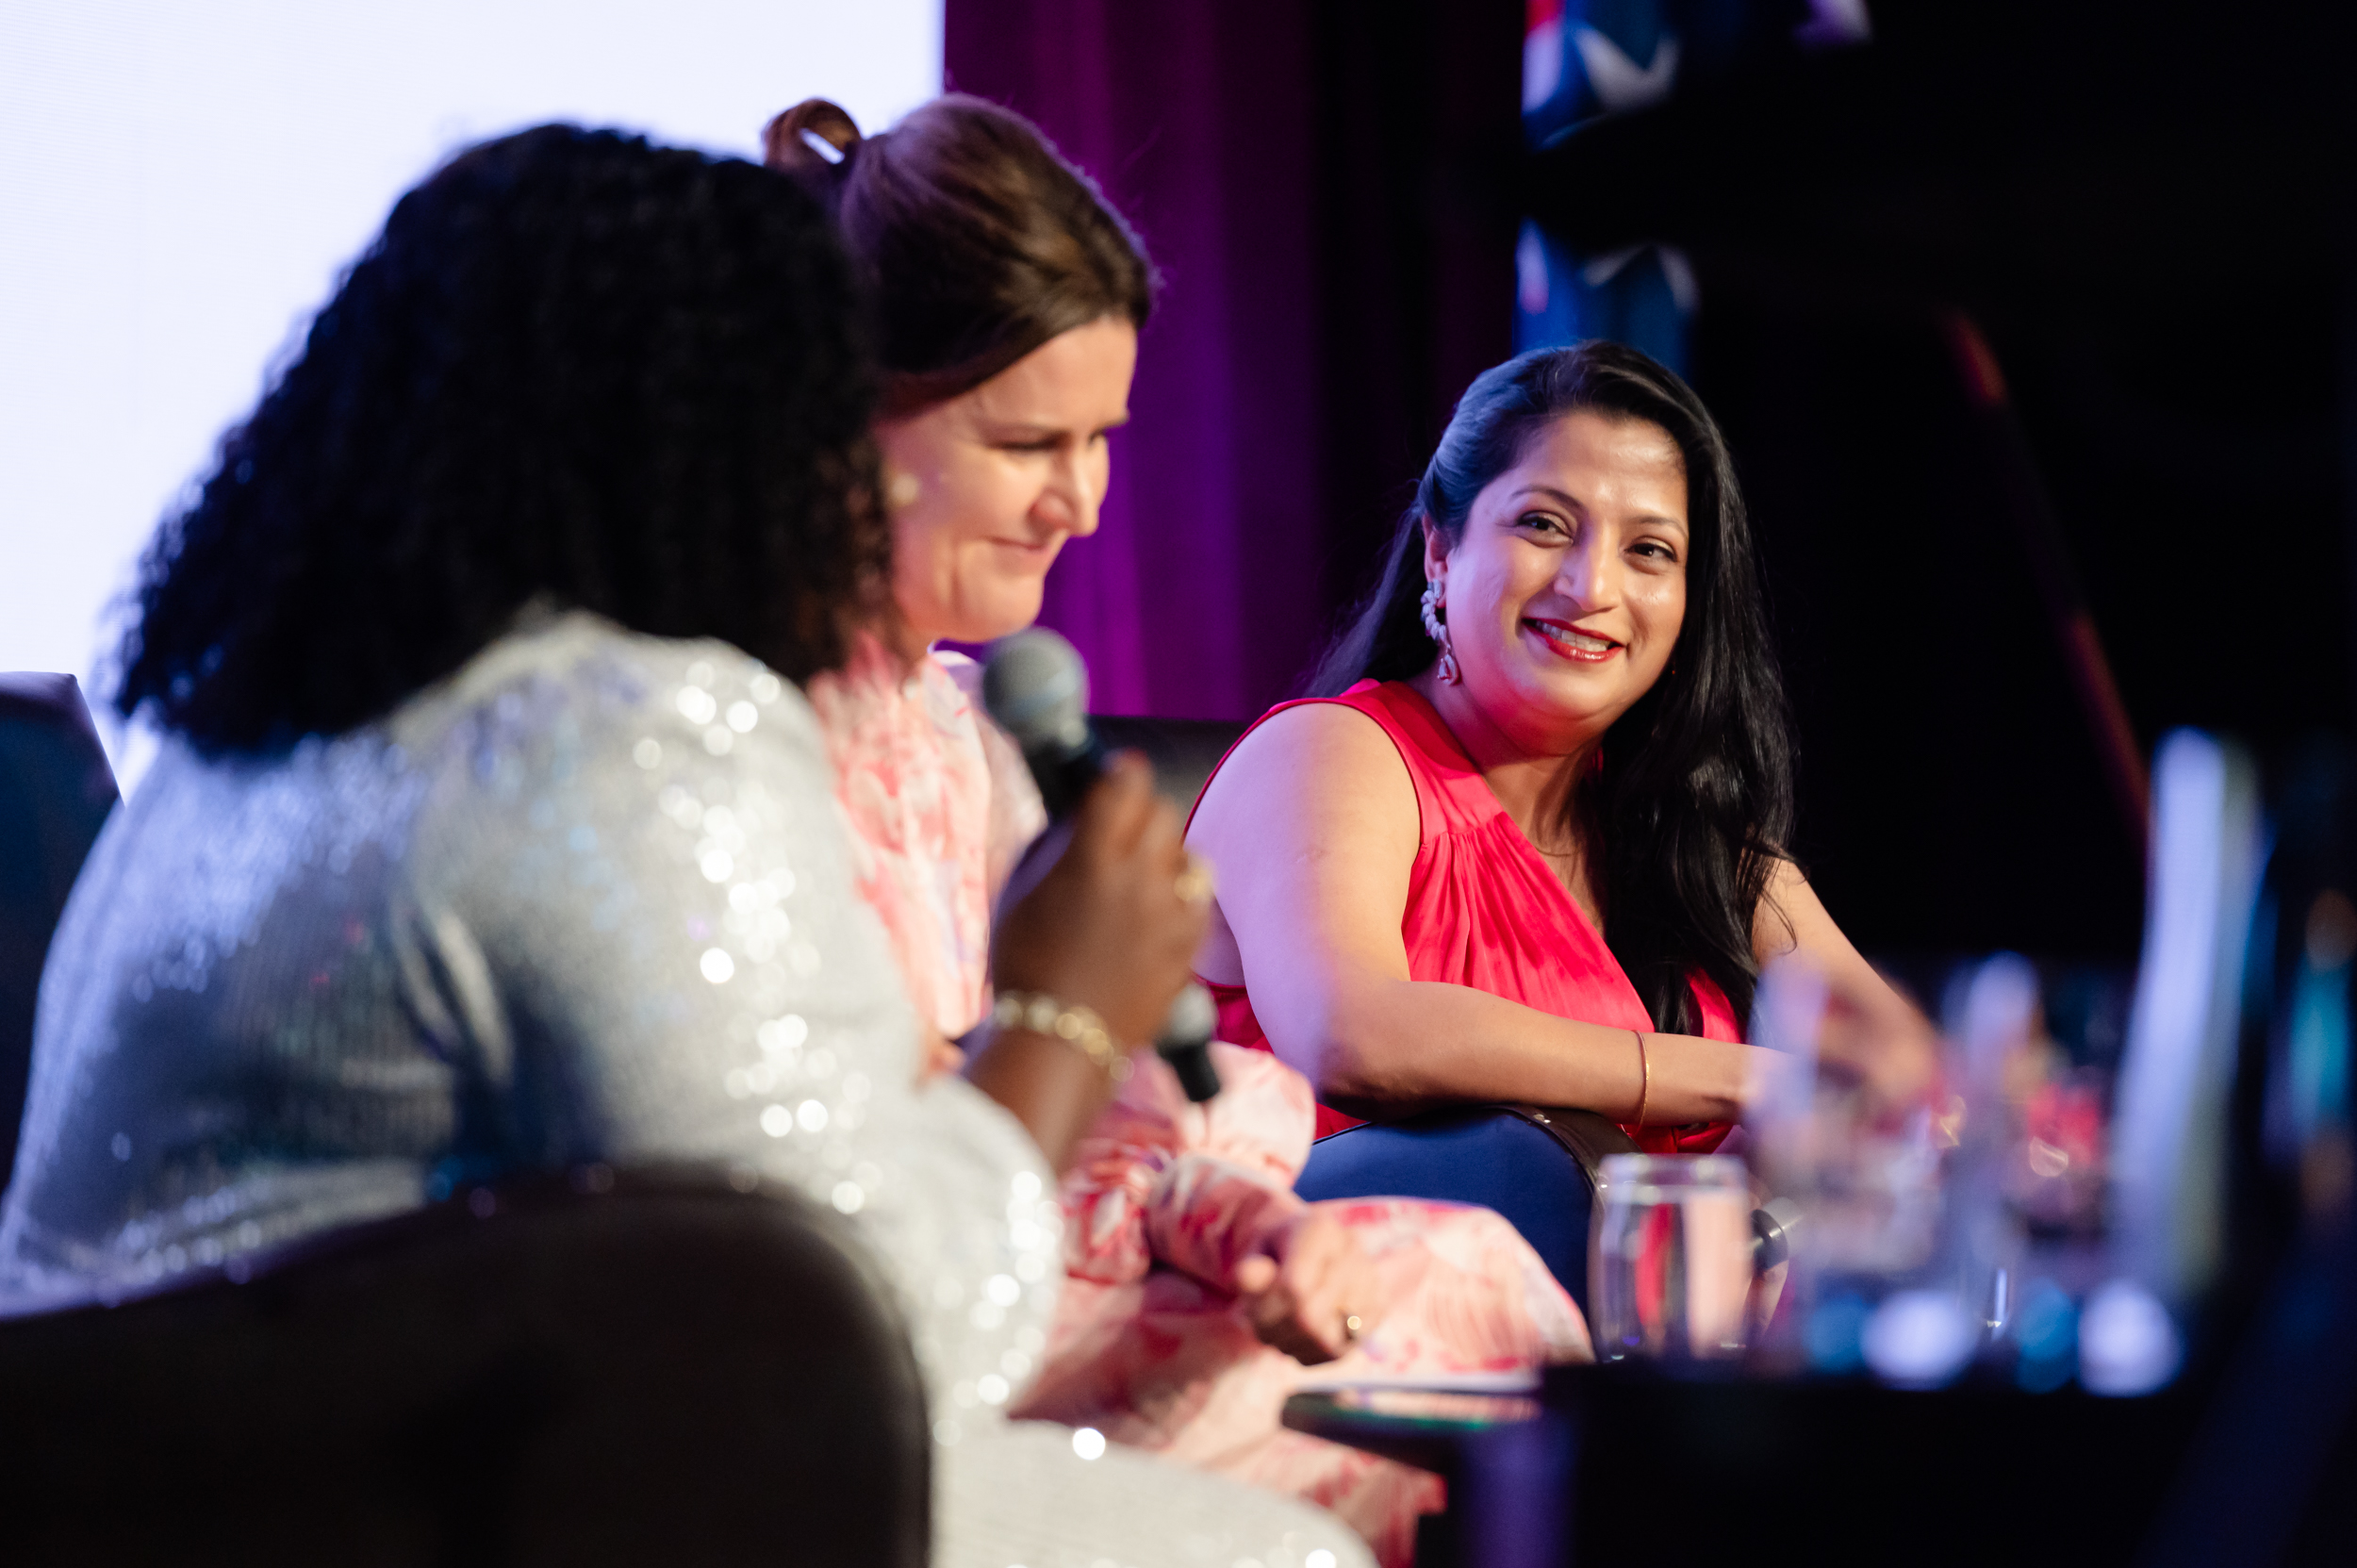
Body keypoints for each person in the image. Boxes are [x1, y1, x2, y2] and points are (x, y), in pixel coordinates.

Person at [0, 125, 1365, 1568]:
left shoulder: (260, 726)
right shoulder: (615, 738)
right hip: (393, 1497)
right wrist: (1061, 1007)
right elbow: (869, 1344)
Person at [766, 96, 1591, 1566]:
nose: (1080, 501)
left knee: (1469, 1274)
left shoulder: (967, 741)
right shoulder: (737, 747)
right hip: (866, 1348)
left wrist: (1241, 1226)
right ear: (834, 404)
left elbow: (1081, 1120)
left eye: (1100, 441)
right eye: (1029, 439)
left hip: (1036, 1277)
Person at [1187, 342, 1931, 1144]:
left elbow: (1910, 1071)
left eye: (1648, 550)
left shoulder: (1690, 837)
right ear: (1441, 550)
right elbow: (1350, 1032)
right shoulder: (1329, 752)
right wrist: (1740, 1077)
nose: (1593, 588)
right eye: (1544, 524)